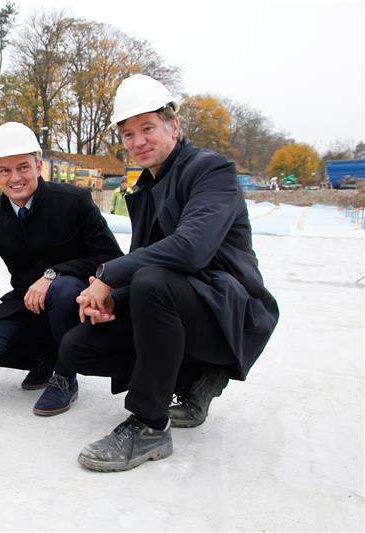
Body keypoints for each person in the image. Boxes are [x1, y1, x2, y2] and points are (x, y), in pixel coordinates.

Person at [60, 74, 279, 472]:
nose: (138, 141)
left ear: (173, 126)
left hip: (230, 312)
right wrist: (112, 300)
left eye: (147, 128)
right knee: (79, 346)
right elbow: (146, 257)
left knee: (151, 283)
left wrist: (108, 276)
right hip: (184, 305)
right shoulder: (146, 187)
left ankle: (149, 424)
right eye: (128, 134)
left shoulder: (211, 171)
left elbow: (191, 249)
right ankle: (194, 379)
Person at [0, 122, 123, 416]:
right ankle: (45, 360)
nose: (15, 178)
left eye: (23, 167)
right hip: (28, 305)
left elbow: (111, 257)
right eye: (5, 170)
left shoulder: (73, 202)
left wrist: (54, 273)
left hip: (72, 303)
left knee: (63, 289)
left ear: (38, 166)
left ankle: (64, 376)